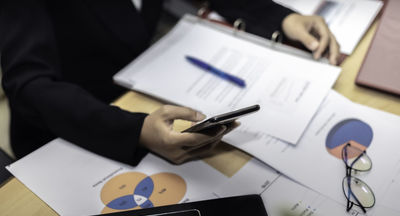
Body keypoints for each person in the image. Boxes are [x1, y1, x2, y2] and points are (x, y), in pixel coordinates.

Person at [0, 0, 340, 165]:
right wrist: (135, 131)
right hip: (74, 128)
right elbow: (29, 84)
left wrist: (280, 17)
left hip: (144, 85)